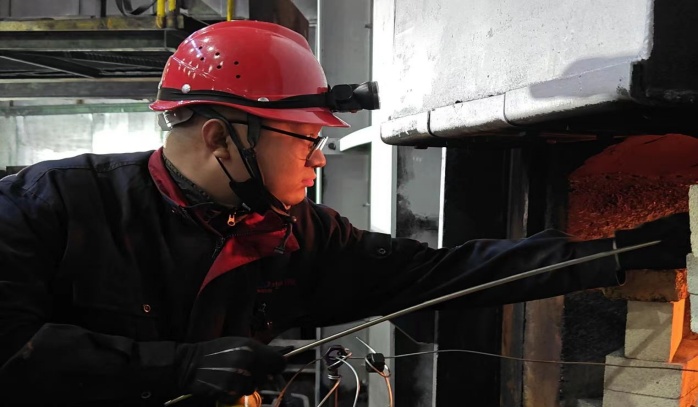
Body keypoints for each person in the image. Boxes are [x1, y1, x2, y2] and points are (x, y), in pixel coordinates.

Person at [0, 19, 690, 407]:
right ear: (221, 138)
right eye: (307, 140)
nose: (320, 160)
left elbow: (447, 272)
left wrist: (618, 252)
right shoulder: (47, 207)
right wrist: (172, 369)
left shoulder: (298, 236)